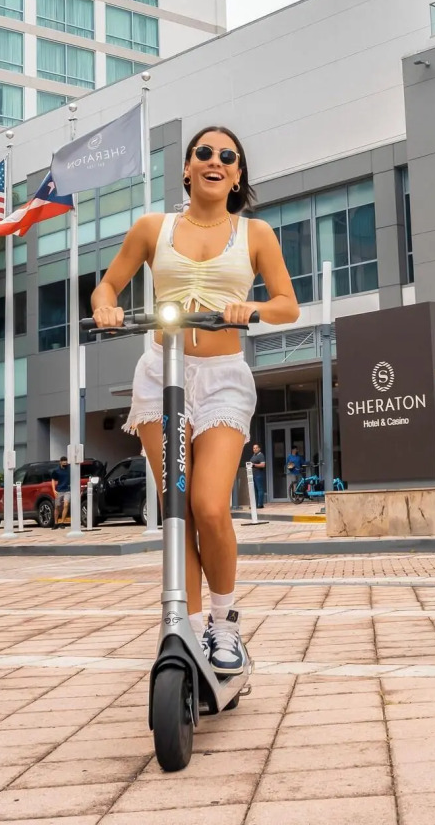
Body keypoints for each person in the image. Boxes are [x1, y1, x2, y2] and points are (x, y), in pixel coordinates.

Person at [90, 126, 298, 674]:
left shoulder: (255, 233)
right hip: (162, 372)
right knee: (177, 510)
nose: (215, 160)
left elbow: (287, 306)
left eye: (227, 156)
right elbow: (107, 286)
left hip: (224, 375)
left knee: (209, 505)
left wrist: (249, 310)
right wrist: (108, 305)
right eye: (203, 153)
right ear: (186, 169)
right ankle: (182, 621)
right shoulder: (151, 228)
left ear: (236, 175)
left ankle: (225, 626)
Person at [51, 456, 71, 527]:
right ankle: (56, 523)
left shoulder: (70, 468)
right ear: (60, 462)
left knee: (66, 504)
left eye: (66, 462)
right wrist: (54, 490)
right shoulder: (56, 470)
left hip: (68, 490)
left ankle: (62, 522)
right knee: (57, 506)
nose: (65, 463)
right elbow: (53, 480)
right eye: (63, 462)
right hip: (59, 490)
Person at [248, 443, 266, 509]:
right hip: (253, 474)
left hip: (259, 475)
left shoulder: (261, 455)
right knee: (254, 490)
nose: (255, 449)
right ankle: (254, 504)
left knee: (260, 489)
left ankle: (260, 504)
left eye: (256, 448)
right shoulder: (253, 455)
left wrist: (254, 465)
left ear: (259, 449)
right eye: (254, 448)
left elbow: (263, 465)